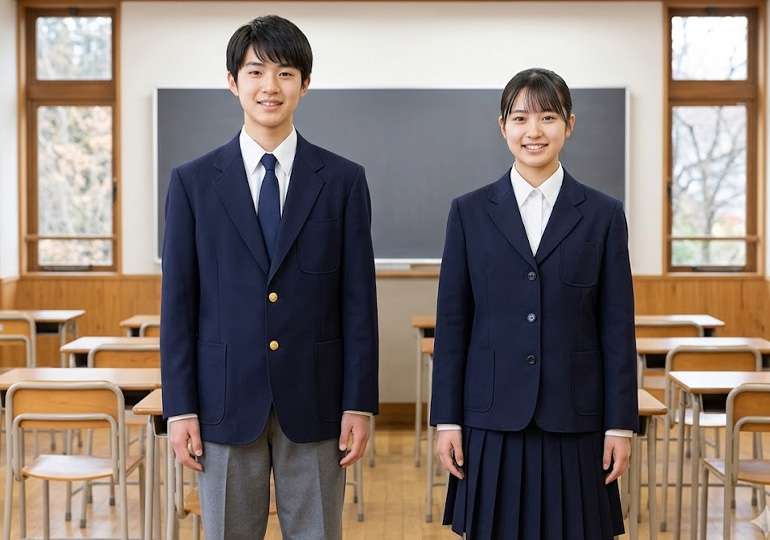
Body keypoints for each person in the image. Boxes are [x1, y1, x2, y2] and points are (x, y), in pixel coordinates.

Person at [159, 15, 379, 540]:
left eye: (285, 73)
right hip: (223, 400)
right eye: (256, 71)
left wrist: (360, 401)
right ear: (233, 82)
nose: (270, 86)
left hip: (319, 401)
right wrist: (180, 408)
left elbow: (358, 302)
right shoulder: (192, 183)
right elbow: (179, 305)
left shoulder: (343, 180)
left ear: (305, 84)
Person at [430, 67, 638, 540]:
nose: (533, 131)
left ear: (569, 123)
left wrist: (619, 426)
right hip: (491, 421)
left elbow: (616, 327)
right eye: (520, 118)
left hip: (576, 419)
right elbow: (453, 323)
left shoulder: (603, 214)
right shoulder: (469, 212)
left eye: (547, 117)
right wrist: (447, 420)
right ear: (503, 126)